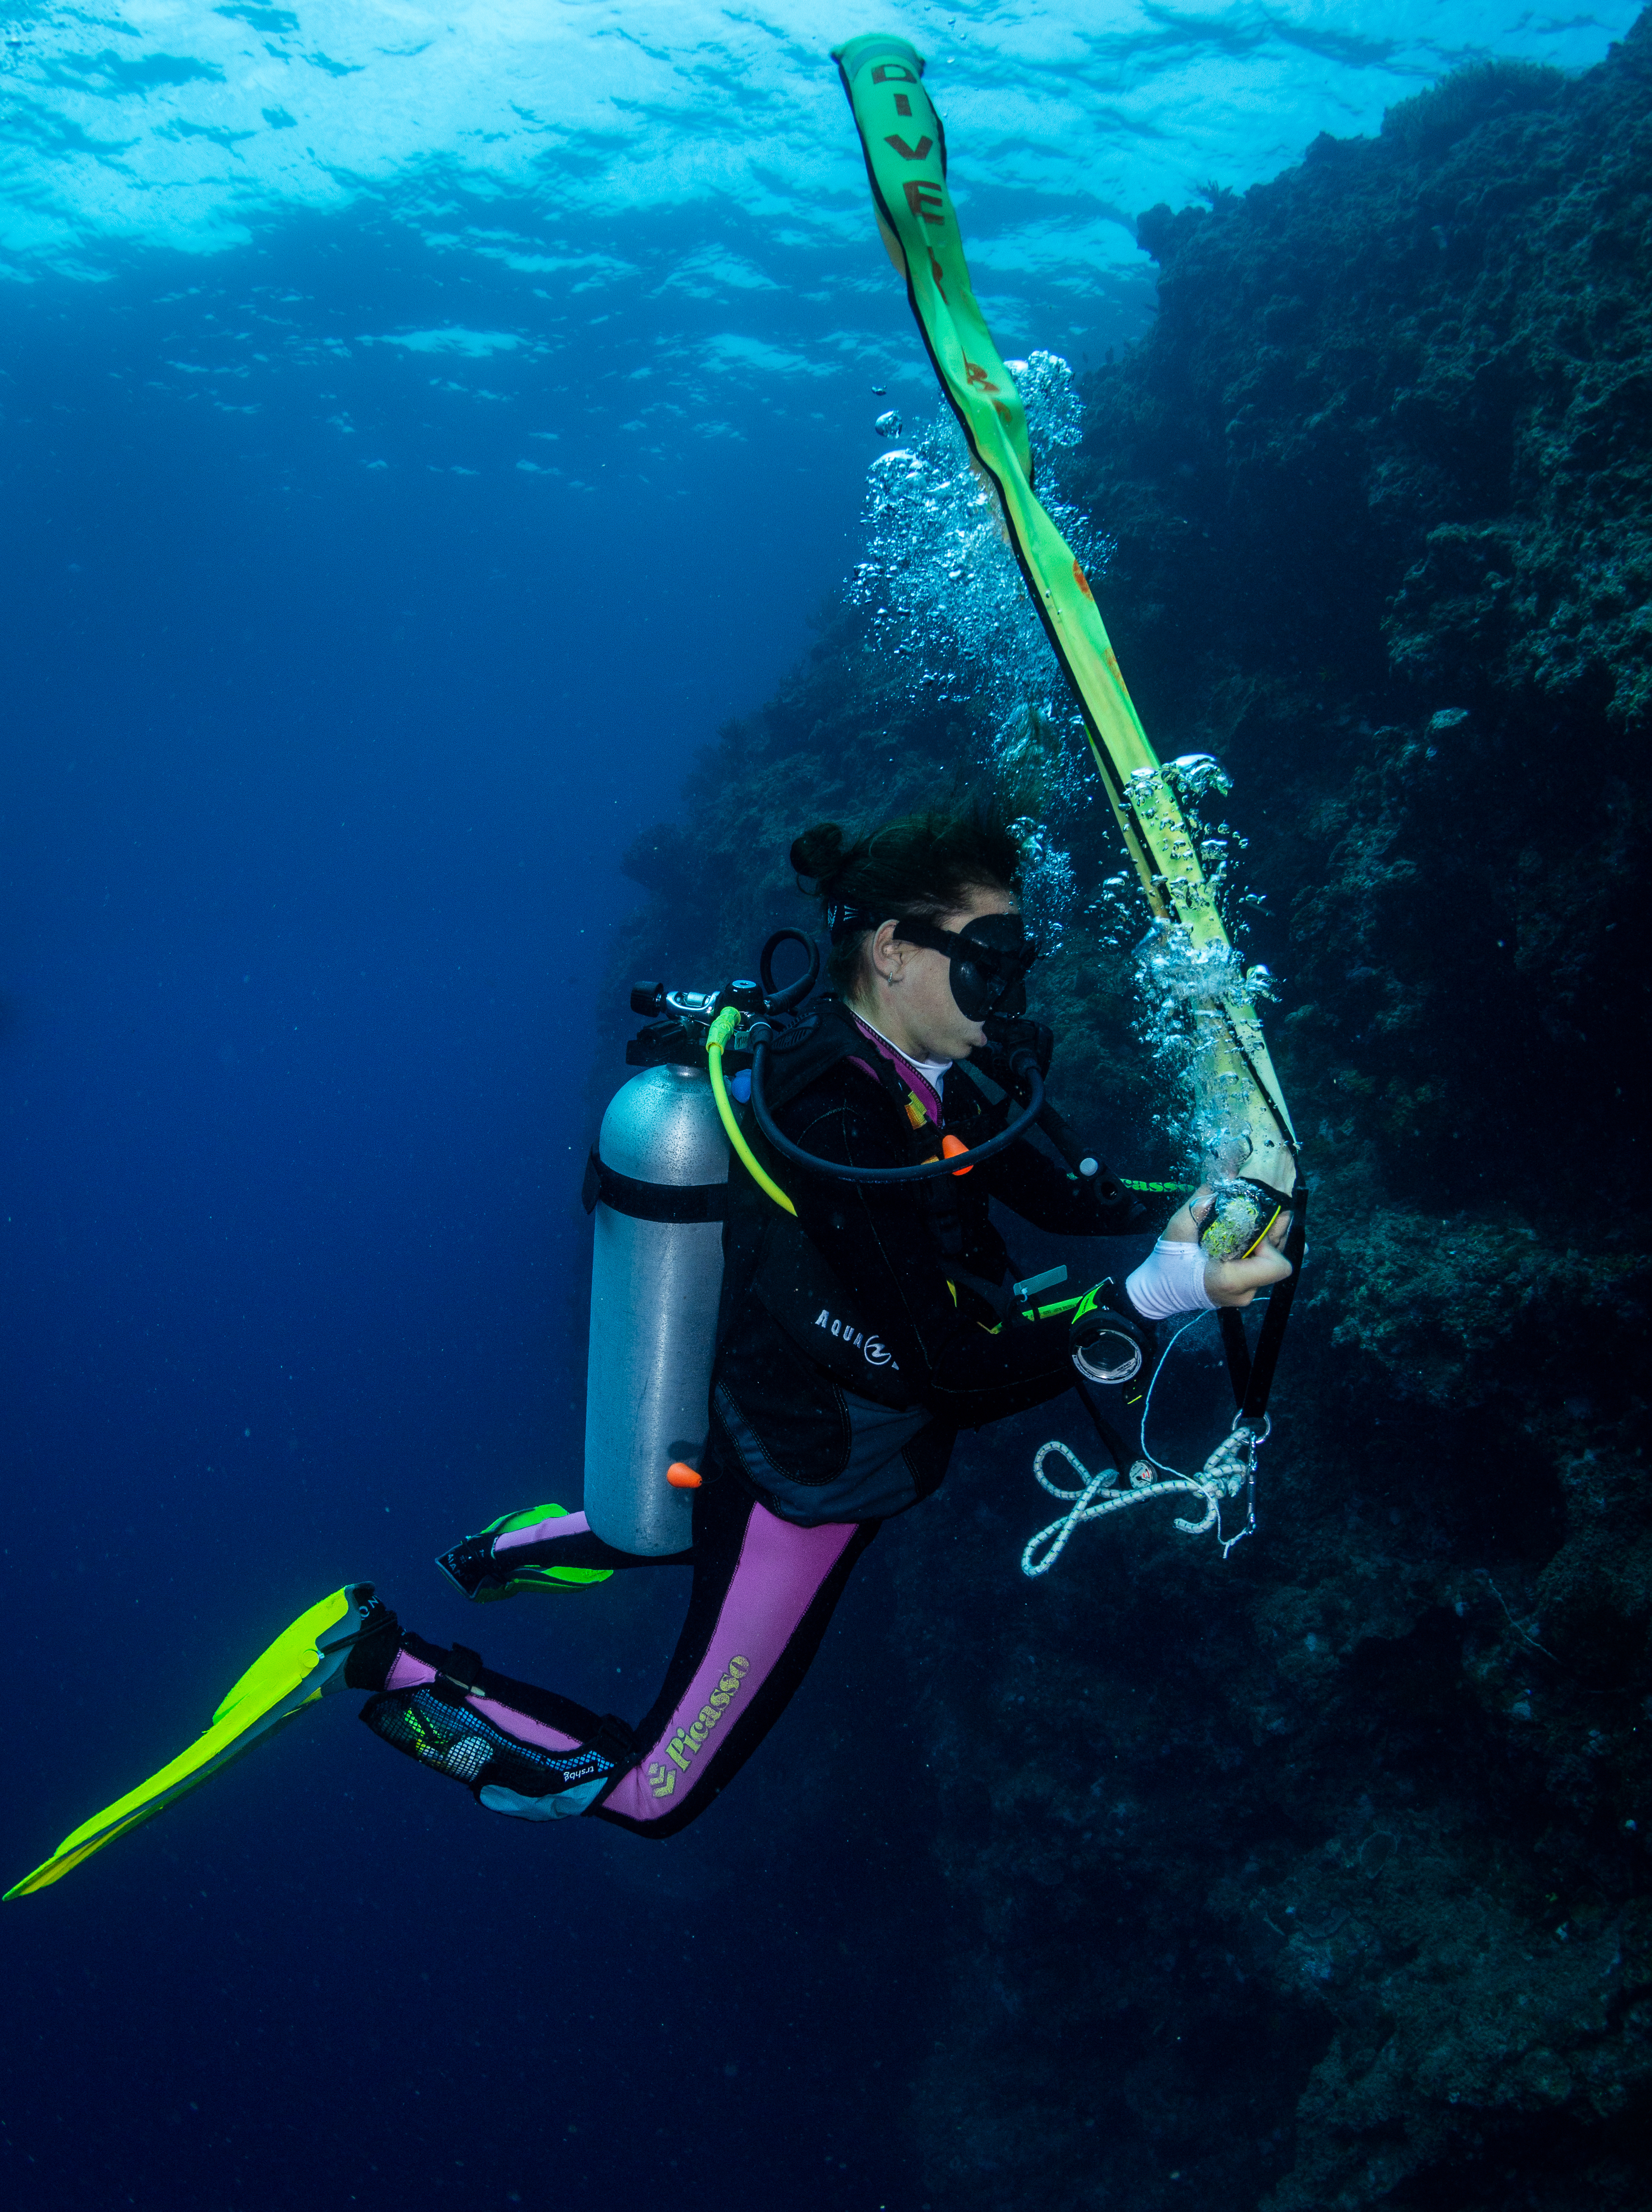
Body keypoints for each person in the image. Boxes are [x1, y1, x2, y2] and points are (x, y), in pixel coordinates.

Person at [6, 803, 1291, 1895]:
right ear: (895, 950)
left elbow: (1062, 1196)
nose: (1012, 990)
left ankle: (495, 1555)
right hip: (808, 1472)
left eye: (1020, 954)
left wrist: (1202, 1197)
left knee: (664, 1520)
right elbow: (950, 1369)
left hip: (751, 1410)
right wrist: (1163, 1293)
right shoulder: (832, 1106)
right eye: (991, 954)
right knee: (645, 1798)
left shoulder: (959, 1063)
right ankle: (375, 1656)